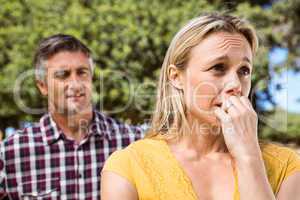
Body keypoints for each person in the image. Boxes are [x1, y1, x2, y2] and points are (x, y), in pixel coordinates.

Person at [101, 13, 300, 200]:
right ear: (176, 77)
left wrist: (249, 157)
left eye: (244, 71)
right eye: (218, 67)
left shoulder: (287, 167)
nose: (236, 85)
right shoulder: (127, 167)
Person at [0, 34, 144, 199]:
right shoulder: (10, 153)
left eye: (82, 72)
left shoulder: (133, 144)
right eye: (63, 75)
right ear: (42, 86)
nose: (75, 84)